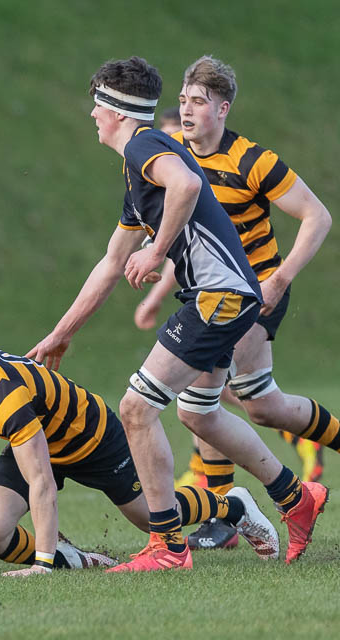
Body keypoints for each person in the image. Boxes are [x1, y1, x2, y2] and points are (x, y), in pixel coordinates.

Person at [28, 57, 327, 570]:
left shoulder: (146, 145)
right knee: (197, 412)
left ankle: (167, 547)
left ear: (118, 111)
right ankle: (296, 498)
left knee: (137, 408)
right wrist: (60, 335)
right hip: (221, 296)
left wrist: (157, 247)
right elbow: (110, 264)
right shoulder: (140, 167)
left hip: (220, 298)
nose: (92, 115)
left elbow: (187, 189)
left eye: (97, 104)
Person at [132, 56, 334, 549]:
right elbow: (185, 239)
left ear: (223, 109)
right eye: (182, 100)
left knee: (200, 398)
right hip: (210, 292)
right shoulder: (173, 156)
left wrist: (280, 279)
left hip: (255, 293)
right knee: (263, 406)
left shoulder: (252, 160)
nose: (186, 110)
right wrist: (158, 285)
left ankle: (224, 514)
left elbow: (318, 216)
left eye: (198, 102)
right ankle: (257, 501)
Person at [0, 336, 279, 577]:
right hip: (37, 435)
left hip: (92, 437)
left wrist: (41, 566)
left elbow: (42, 482)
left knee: (152, 519)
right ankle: (74, 560)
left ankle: (233, 507)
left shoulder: (3, 399)